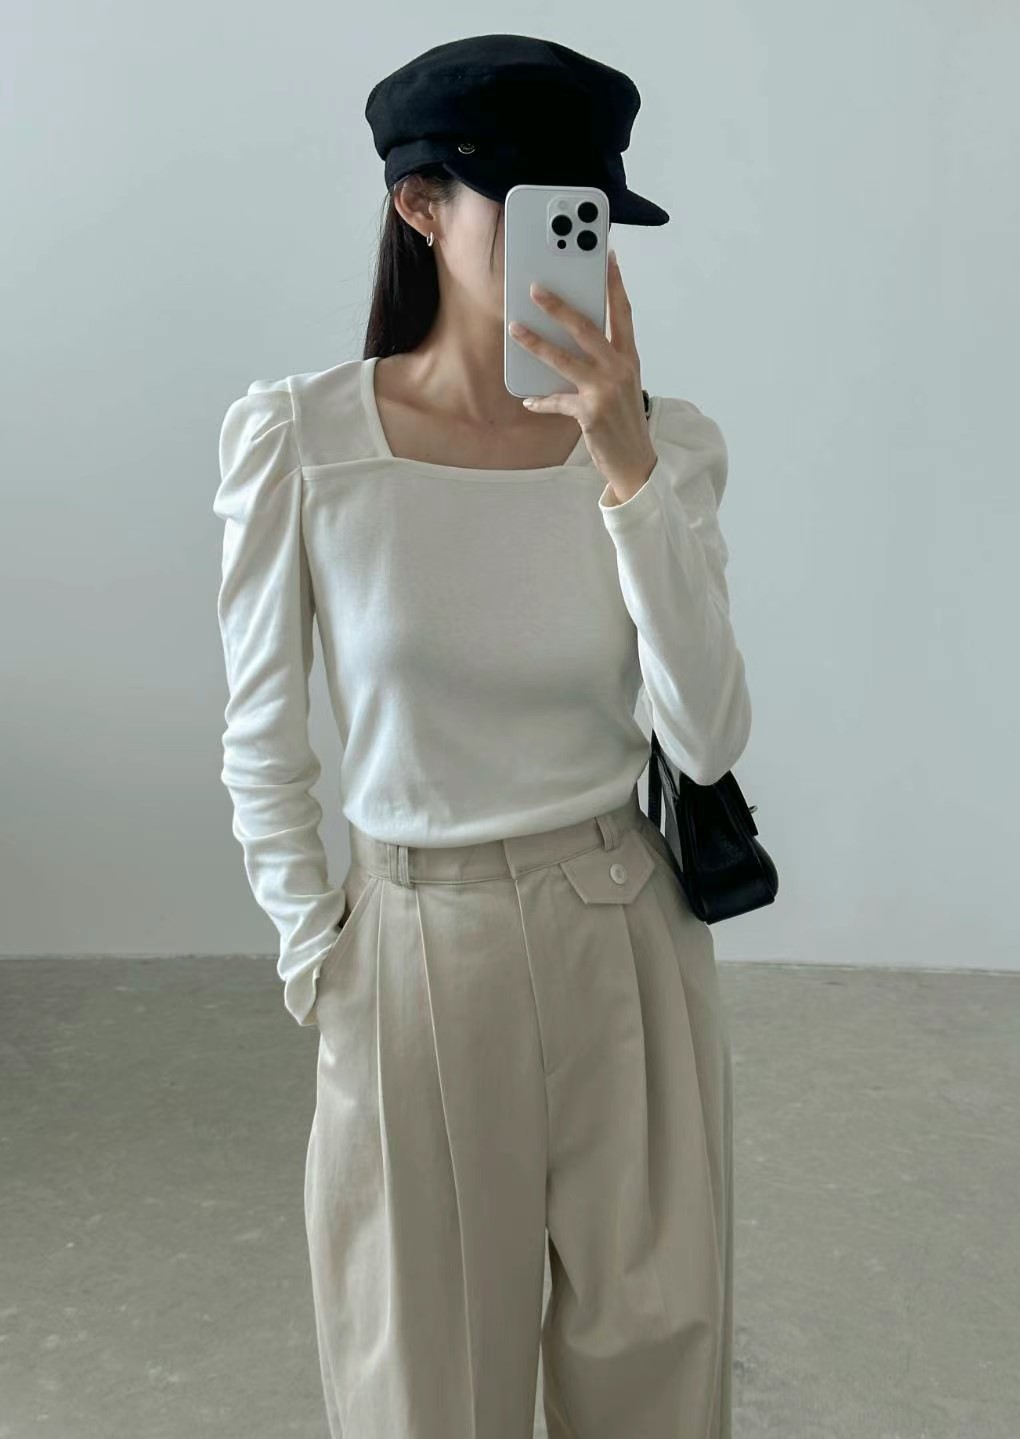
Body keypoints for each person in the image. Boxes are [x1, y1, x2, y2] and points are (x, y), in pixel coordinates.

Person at [212, 33, 752, 1439]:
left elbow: (705, 738)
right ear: (419, 204)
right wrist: (319, 959)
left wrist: (625, 467)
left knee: (655, 1367)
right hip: (414, 946)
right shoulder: (303, 444)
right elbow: (263, 739)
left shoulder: (665, 446)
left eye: (590, 215)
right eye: (532, 207)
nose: (571, 245)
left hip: (624, 929)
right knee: (425, 1391)